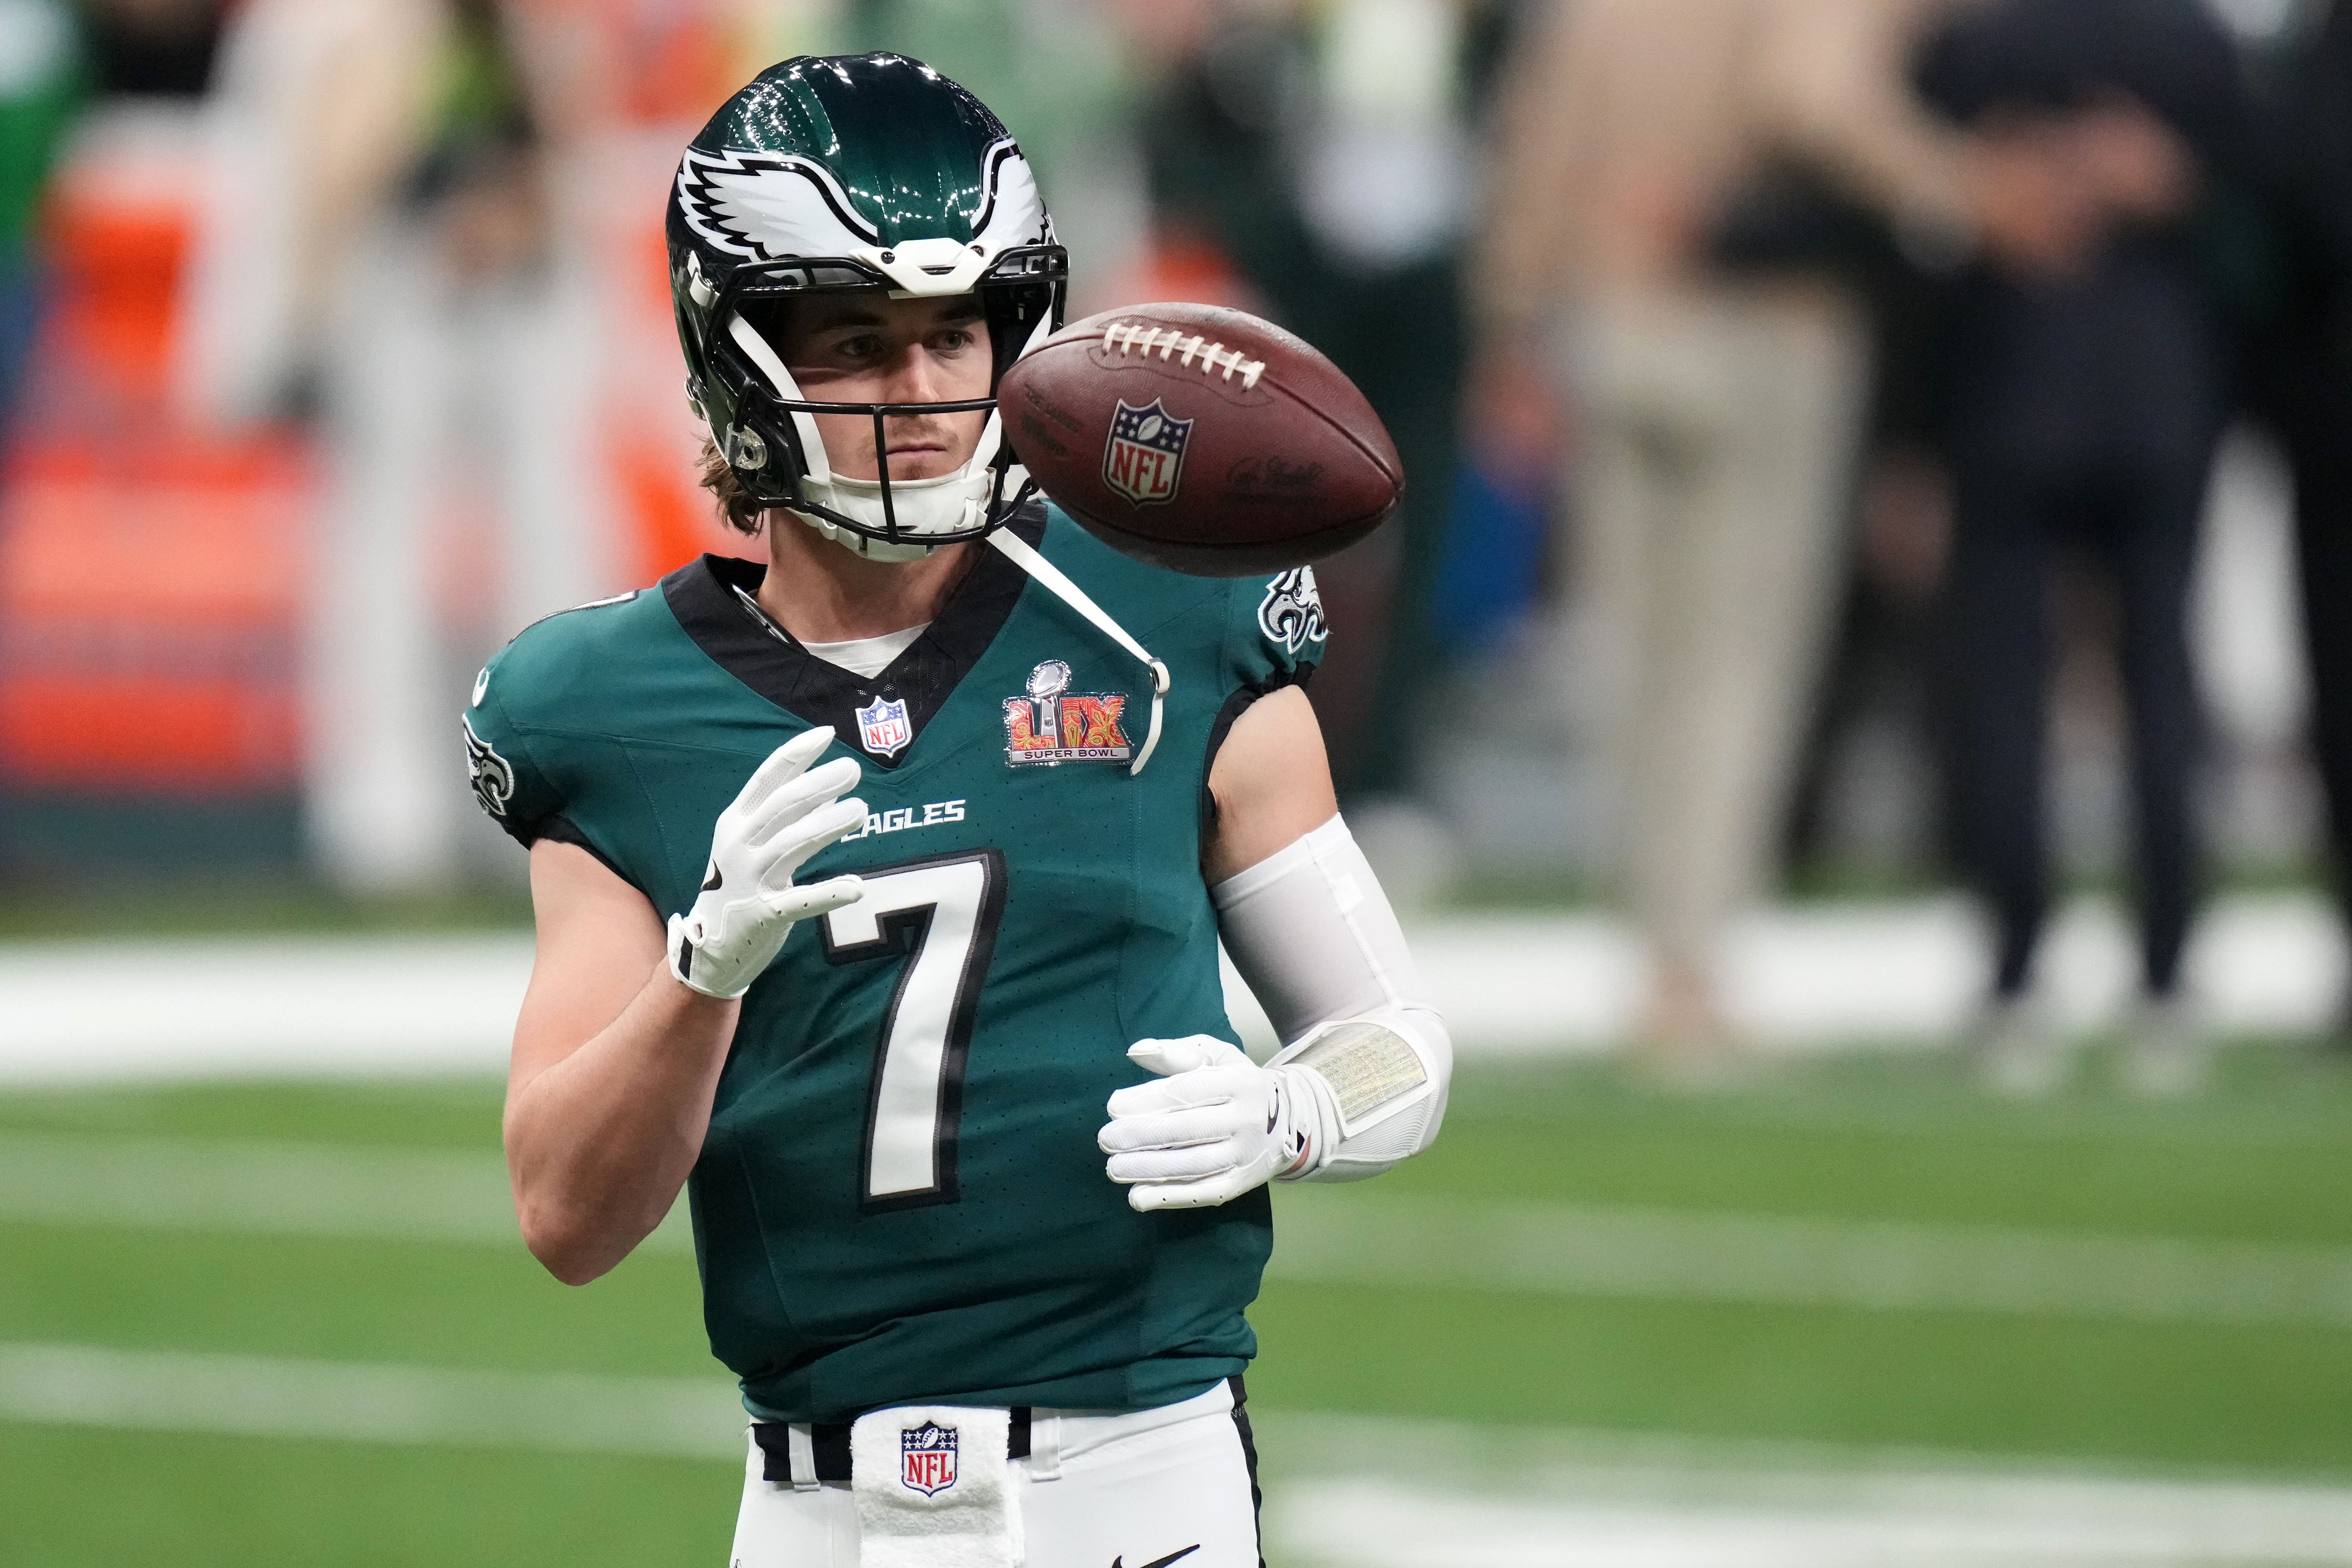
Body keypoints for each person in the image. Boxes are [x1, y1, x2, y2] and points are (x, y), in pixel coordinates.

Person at [467, 54, 1452, 1568]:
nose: (921, 395)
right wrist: (699, 977)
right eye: (857, 342)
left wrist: (1295, 1109)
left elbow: (1399, 1045)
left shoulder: (1169, 611)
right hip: (814, 1509)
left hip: (1142, 1479)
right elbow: (567, 1218)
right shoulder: (604, 704)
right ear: (740, 356)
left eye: (955, 334)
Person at [1475, 0, 2100, 1061]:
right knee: (1736, 666)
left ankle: (1651, 946)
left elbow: (1536, 139)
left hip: (1616, 327)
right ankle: (1692, 968)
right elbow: (1813, 101)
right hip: (1764, 332)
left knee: (1638, 662)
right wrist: (1963, 190)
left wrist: (1512, 327)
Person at [1914, 0, 2256, 1093]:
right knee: (2153, 683)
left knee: (2022, 692)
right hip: (2150, 404)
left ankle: (2023, 972)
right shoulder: (2193, 45)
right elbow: (2258, 219)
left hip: (2026, 400)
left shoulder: (1982, 46)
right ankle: (2159, 972)